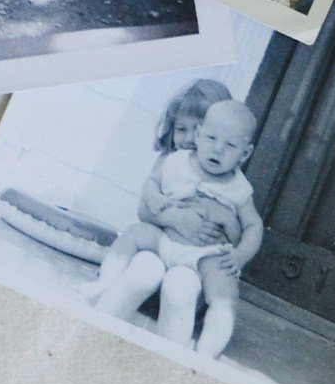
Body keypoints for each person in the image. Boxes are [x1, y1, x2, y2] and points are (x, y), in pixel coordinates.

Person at [91, 96, 265, 358]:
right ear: (198, 135)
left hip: (204, 256)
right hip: (164, 241)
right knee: (135, 233)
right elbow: (151, 183)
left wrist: (240, 255)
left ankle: (206, 352)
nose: (218, 149)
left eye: (230, 145)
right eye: (211, 138)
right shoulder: (177, 162)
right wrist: (154, 196)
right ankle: (106, 280)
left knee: (225, 294)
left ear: (245, 153)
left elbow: (253, 226)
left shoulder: (239, 189)